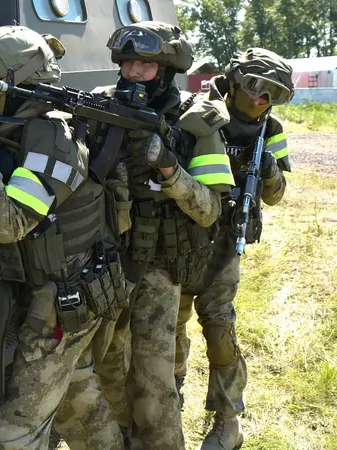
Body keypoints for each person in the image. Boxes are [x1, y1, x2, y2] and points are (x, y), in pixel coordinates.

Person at [0, 25, 134, 450]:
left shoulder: (55, 138)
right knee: (78, 402)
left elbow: (10, 223)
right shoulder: (10, 121)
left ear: (17, 88)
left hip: (67, 300)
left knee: (16, 433)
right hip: (47, 291)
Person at [78, 21, 236, 450]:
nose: (133, 72)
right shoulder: (98, 107)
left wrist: (169, 169)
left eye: (145, 65)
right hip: (106, 260)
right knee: (108, 366)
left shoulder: (195, 122)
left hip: (159, 266)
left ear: (166, 70)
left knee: (153, 380)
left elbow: (209, 210)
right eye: (128, 62)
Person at [174, 47, 294, 450]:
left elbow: (277, 196)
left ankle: (228, 420)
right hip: (182, 236)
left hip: (228, 240)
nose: (262, 100)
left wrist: (269, 170)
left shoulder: (270, 128)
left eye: (274, 94)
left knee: (220, 327)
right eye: (257, 87)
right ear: (236, 80)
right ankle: (169, 397)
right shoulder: (199, 114)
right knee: (172, 322)